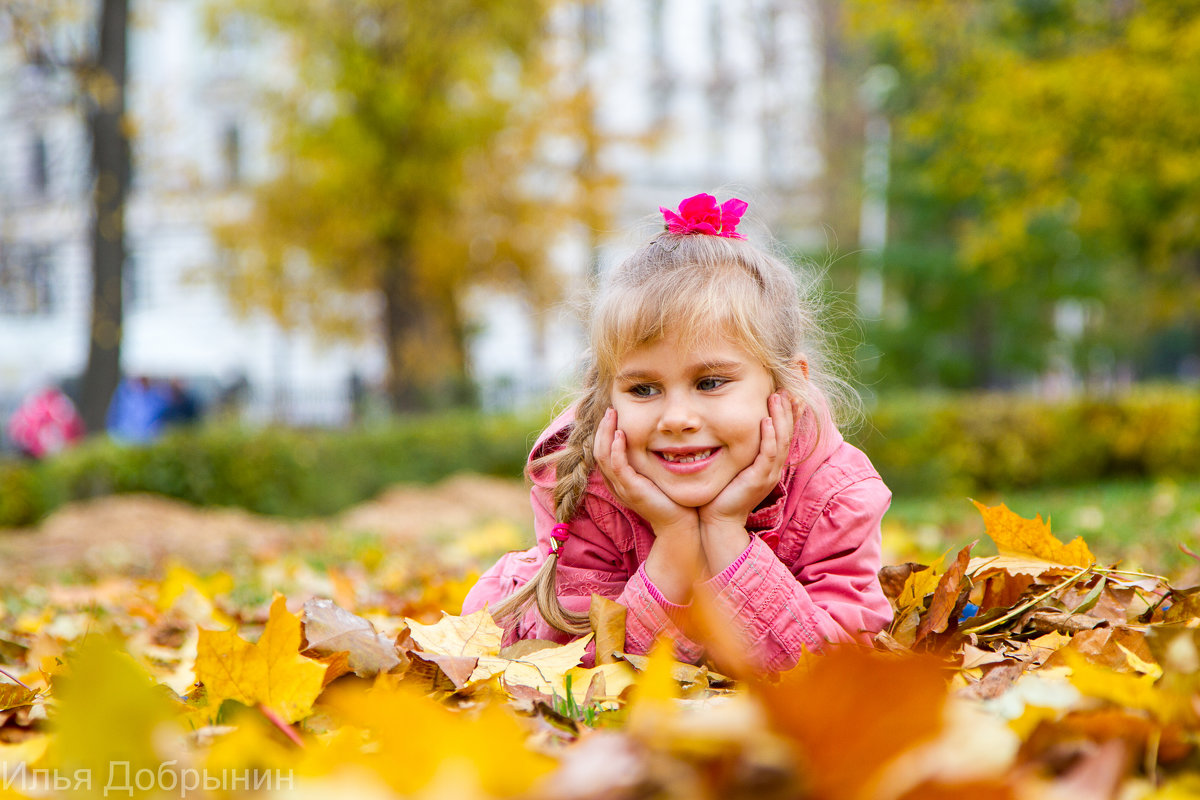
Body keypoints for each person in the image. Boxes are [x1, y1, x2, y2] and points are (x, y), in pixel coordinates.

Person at [462, 193, 893, 672]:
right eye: (644, 389)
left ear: (787, 388)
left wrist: (727, 532)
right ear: (609, 395)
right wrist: (674, 544)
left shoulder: (834, 494)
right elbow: (584, 667)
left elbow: (835, 669)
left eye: (710, 383)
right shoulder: (590, 480)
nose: (676, 418)